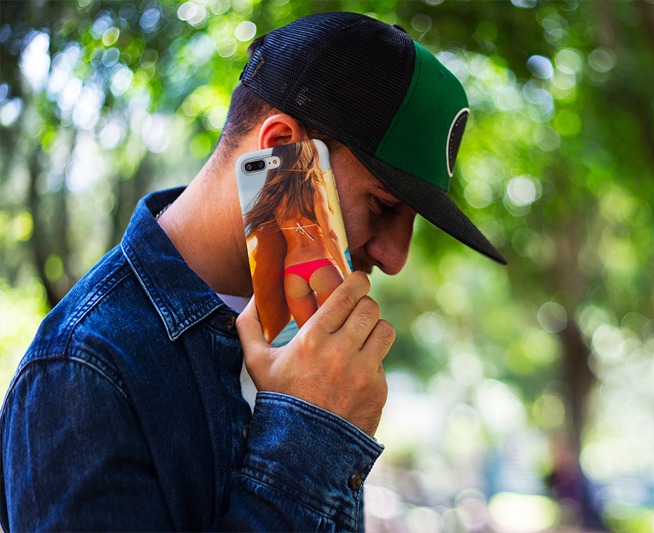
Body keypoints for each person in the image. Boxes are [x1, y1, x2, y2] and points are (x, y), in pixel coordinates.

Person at [0, 11, 506, 532]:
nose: (396, 258)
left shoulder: (306, 341)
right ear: (281, 148)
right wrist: (310, 433)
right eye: (382, 205)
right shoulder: (82, 368)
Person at [245, 141, 351, 337]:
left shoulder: (274, 194)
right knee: (341, 336)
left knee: (313, 340)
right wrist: (348, 274)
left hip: (292, 274)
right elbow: (330, 234)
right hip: (322, 266)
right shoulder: (314, 186)